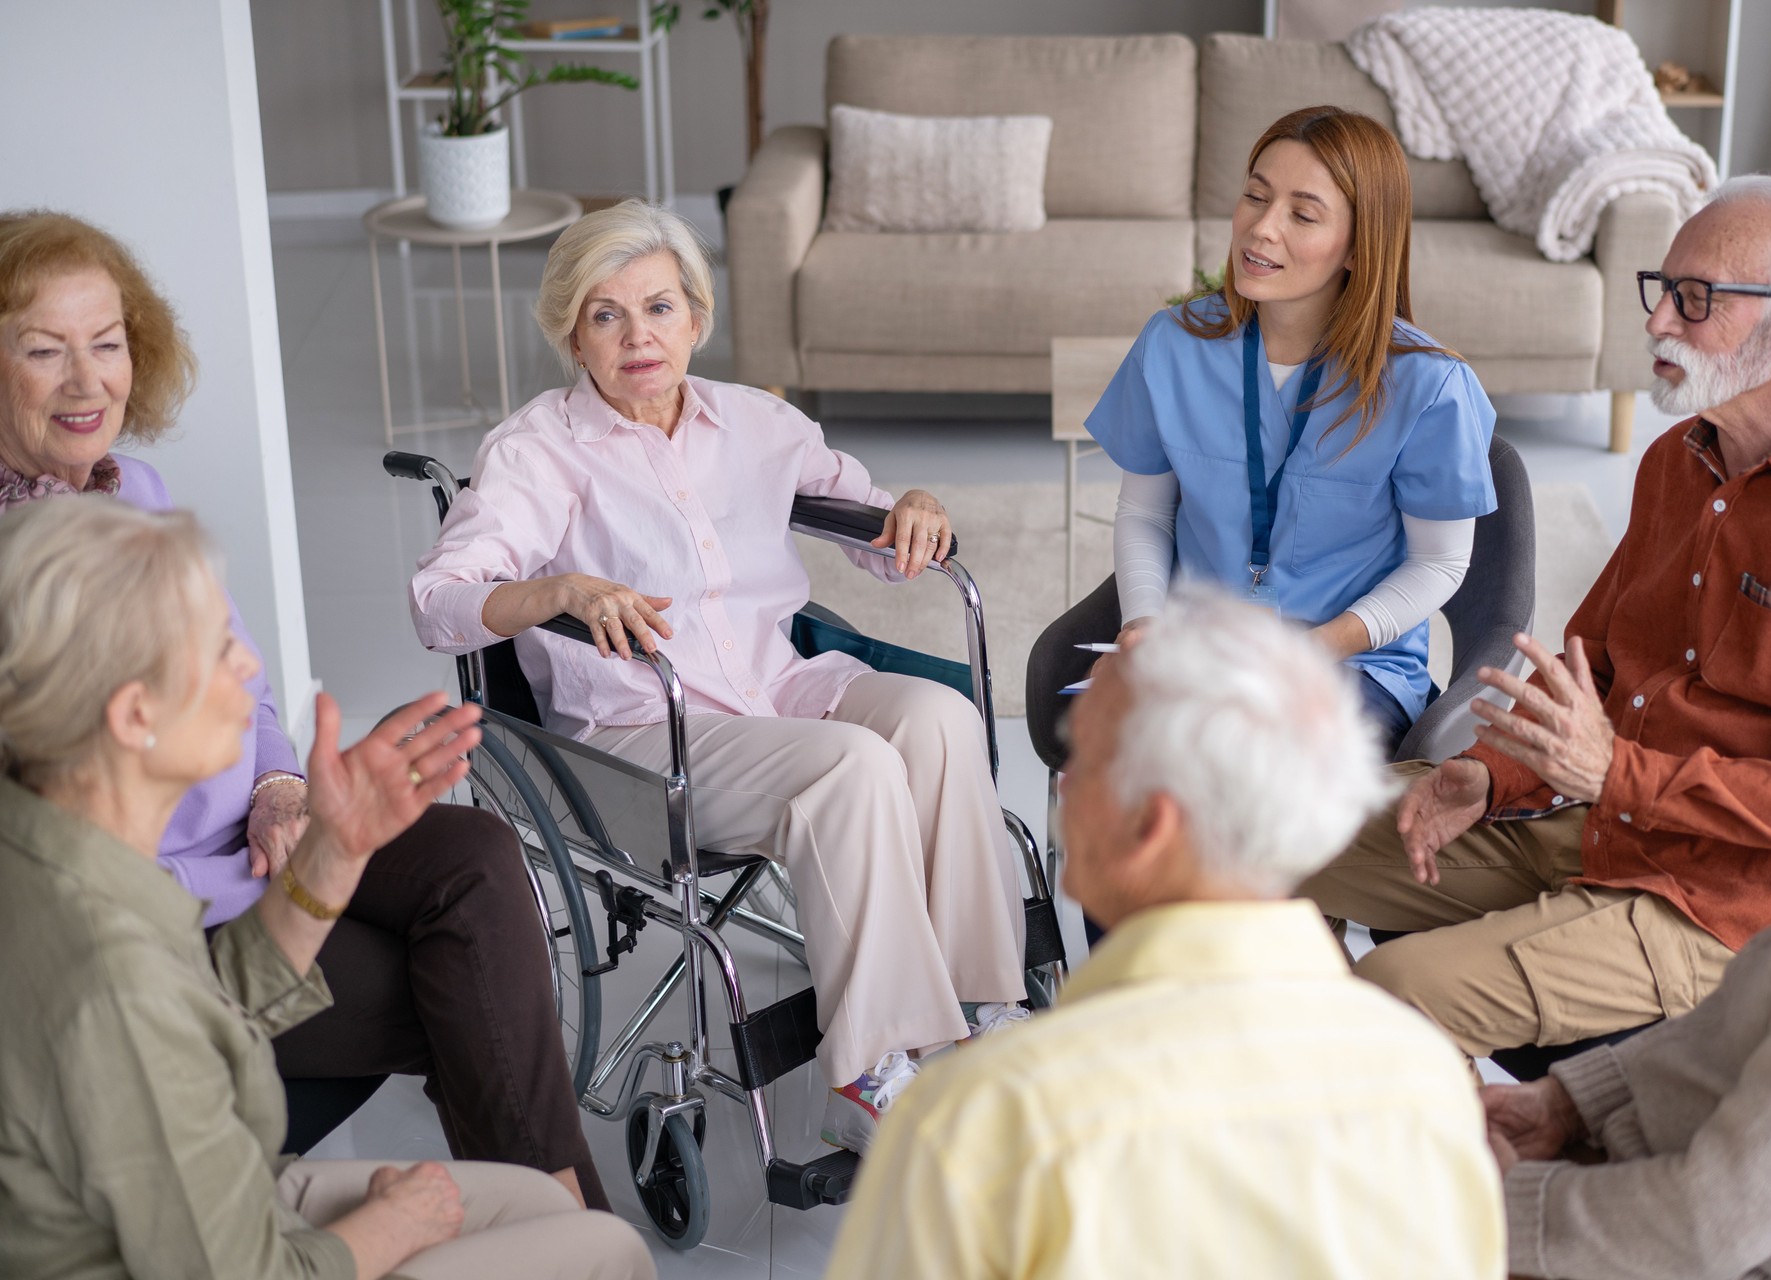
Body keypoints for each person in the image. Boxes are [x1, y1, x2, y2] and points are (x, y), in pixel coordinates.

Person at [0, 209, 607, 1208]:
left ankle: (558, 1229)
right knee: (465, 987)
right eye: (42, 350)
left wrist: (280, 787)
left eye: (105, 344)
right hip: (166, 926)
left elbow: (247, 685)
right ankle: (567, 1226)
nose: (86, 381)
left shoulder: (135, 488)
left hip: (260, 841)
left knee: (475, 854)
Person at [409, 198, 1029, 1153]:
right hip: (637, 736)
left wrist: (912, 508)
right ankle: (866, 1073)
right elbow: (437, 600)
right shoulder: (539, 452)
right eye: (607, 315)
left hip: (773, 687)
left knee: (939, 716)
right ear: (573, 336)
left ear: (697, 318)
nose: (638, 337)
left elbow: (878, 537)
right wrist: (555, 590)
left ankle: (984, 1007)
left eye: (659, 308)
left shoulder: (757, 423)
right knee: (852, 766)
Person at [0, 497, 654, 1280]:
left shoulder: (53, 844)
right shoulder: (111, 977)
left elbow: (210, 1008)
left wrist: (336, 853)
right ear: (135, 713)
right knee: (607, 1249)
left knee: (541, 1207)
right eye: (218, 650)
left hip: (165, 1205)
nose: (249, 669)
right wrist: (392, 1224)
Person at [1298, 174, 1771, 1057]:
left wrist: (1619, 775)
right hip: (1599, 826)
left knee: (1389, 996)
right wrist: (1492, 773)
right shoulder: (1676, 463)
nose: (1658, 321)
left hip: (1729, 907)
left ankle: (1416, 1118)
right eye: (1662, 289)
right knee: (1265, 830)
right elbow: (1594, 664)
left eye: (1697, 298)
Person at [825, 591, 1504, 1280]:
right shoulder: (1428, 1083)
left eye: (1086, 762)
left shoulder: (980, 1125)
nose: (1062, 790)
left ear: (1151, 826)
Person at [1485, 386, 1771, 1279]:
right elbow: (1756, 1007)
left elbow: (1712, 1223)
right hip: (1666, 1181)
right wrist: (1568, 1104)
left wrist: (1480, 1208)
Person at [1086, 105, 1497, 746]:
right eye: (1255, 196)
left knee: (1246, 762)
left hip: (1350, 667)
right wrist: (1142, 622)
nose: (1261, 229)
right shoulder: (1171, 345)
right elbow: (1145, 513)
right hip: (1201, 656)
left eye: (1302, 215)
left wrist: (1313, 649)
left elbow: (1440, 562)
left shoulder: (1429, 385)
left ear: (1359, 246)